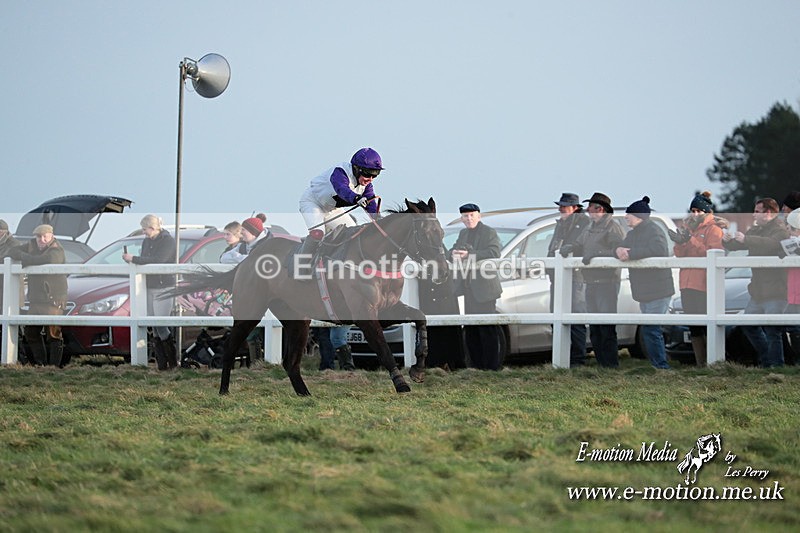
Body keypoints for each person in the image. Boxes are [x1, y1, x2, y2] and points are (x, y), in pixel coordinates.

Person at [294, 148, 385, 370]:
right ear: (356, 167)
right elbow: (343, 191)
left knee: (354, 233)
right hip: (313, 203)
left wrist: (377, 220)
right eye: (367, 173)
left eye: (375, 175)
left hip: (332, 210)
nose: (370, 178)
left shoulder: (367, 184)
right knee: (318, 233)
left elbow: (371, 204)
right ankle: (302, 266)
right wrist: (357, 198)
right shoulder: (340, 172)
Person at [723, 198, 790, 367]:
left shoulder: (780, 230)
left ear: (768, 213)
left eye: (757, 211)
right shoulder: (756, 229)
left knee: (773, 331)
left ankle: (776, 365)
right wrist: (727, 241)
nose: (753, 214)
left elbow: (773, 244)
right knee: (748, 325)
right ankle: (767, 360)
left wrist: (746, 239)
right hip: (758, 291)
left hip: (776, 290)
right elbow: (738, 245)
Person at [615, 196, 674, 369]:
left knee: (651, 328)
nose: (626, 218)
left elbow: (659, 250)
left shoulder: (654, 231)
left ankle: (661, 365)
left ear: (639, 217)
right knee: (650, 329)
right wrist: (617, 250)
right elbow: (622, 247)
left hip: (658, 289)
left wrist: (631, 253)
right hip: (645, 290)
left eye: (630, 215)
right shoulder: (633, 234)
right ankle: (658, 364)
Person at [668, 191, 725, 366]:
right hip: (687, 283)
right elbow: (680, 255)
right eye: (692, 210)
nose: (695, 214)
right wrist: (680, 242)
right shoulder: (690, 229)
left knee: (706, 324)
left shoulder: (714, 230)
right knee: (694, 326)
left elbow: (711, 252)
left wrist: (690, 240)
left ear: (706, 211)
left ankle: (712, 361)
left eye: (698, 211)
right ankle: (701, 363)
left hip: (703, 284)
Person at [574, 193, 626, 367]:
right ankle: (602, 362)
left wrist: (596, 255)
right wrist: (570, 247)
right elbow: (579, 243)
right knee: (595, 328)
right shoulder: (589, 227)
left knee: (606, 327)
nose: (588, 210)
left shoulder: (613, 227)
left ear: (600, 209)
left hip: (607, 283)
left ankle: (610, 364)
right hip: (591, 282)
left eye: (591, 207)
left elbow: (617, 250)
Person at [450, 203, 503, 370]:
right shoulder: (463, 233)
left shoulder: (489, 232)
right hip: (468, 289)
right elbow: (454, 249)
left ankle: (492, 367)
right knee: (472, 330)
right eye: (465, 216)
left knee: (487, 329)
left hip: (485, 289)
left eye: (472, 215)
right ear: (461, 218)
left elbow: (494, 252)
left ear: (479, 216)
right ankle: (475, 366)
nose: (469, 218)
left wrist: (470, 255)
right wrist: (453, 253)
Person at [6, 224, 67, 366]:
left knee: (53, 333)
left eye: (44, 236)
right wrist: (25, 256)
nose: (41, 239)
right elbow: (12, 251)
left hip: (53, 298)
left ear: (51, 235)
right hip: (35, 298)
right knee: (31, 332)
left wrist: (26, 259)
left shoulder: (57, 249)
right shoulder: (31, 245)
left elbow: (50, 260)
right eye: (39, 236)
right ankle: (41, 363)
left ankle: (54, 366)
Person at [122, 215, 177, 370]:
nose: (144, 233)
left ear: (152, 228)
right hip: (150, 285)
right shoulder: (148, 241)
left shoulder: (168, 241)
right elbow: (148, 258)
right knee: (154, 325)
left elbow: (159, 260)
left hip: (164, 286)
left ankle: (171, 363)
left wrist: (134, 258)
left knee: (161, 324)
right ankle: (162, 365)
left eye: (145, 229)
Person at [546, 193, 590, 366]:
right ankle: (562, 357)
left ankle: (577, 358)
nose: (560, 209)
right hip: (557, 278)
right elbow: (554, 248)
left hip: (576, 278)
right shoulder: (562, 225)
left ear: (575, 207)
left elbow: (582, 246)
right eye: (560, 206)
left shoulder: (584, 223)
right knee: (556, 317)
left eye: (564, 206)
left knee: (575, 318)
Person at [784, 208, 800, 364]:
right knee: (793, 328)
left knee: (795, 328)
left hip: (796, 293)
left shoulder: (793, 244)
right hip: (793, 292)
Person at [0, 219, 22, 312]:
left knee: (7, 311)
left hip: (9, 285)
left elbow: (8, 258)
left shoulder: (14, 244)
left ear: (3, 232)